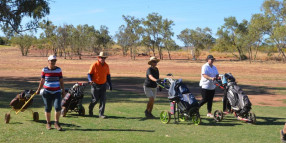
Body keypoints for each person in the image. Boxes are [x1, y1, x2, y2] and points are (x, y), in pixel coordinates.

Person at [36, 55, 65, 131]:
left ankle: (56, 123)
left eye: (54, 61)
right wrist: (38, 89)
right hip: (47, 92)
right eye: (51, 60)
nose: (53, 62)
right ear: (48, 61)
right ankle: (48, 123)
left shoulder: (58, 70)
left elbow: (61, 81)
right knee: (48, 108)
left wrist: (63, 91)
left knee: (57, 106)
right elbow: (42, 81)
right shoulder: (44, 69)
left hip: (57, 91)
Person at [88, 51, 112, 119]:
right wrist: (90, 80)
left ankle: (101, 114)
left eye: (104, 58)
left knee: (103, 100)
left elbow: (108, 76)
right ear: (98, 58)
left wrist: (110, 84)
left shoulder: (106, 66)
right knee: (95, 100)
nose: (103, 59)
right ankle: (90, 109)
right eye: (101, 58)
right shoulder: (94, 65)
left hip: (103, 85)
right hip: (95, 85)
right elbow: (89, 74)